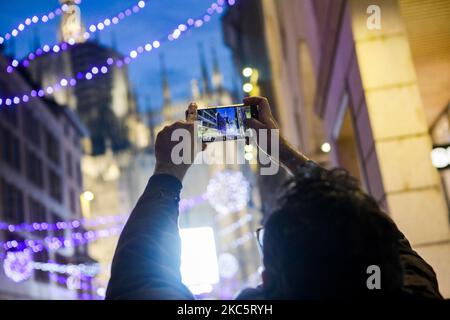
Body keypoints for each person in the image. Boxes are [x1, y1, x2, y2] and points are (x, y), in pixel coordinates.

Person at [105, 96, 442, 300]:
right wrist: (282, 151)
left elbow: (140, 282)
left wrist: (169, 169)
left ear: (267, 284)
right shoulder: (412, 292)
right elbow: (381, 237)